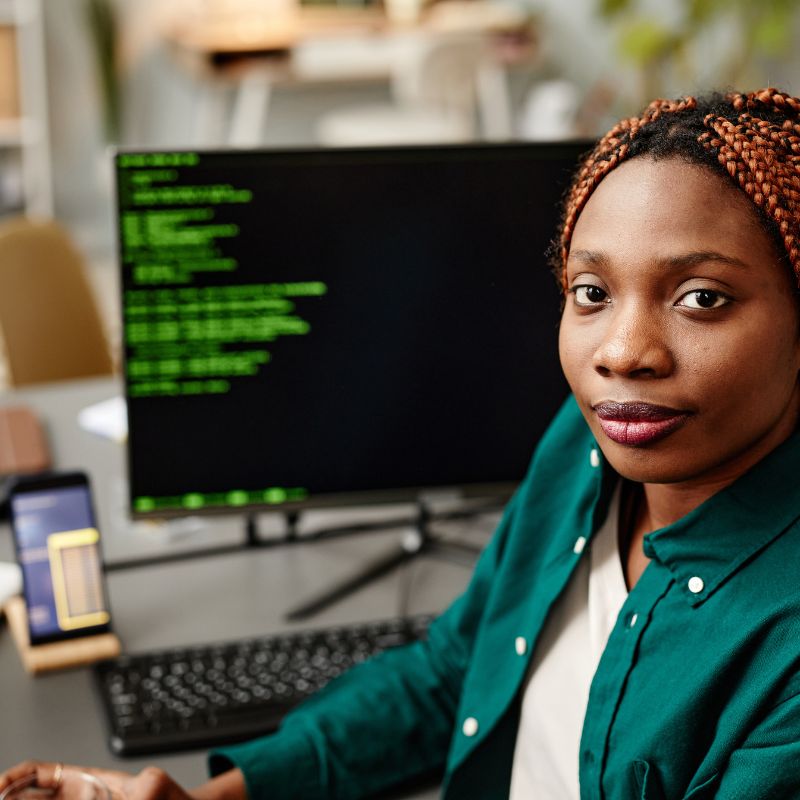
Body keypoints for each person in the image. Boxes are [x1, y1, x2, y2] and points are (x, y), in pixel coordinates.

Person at [4, 86, 800, 800]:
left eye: (702, 298)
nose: (622, 352)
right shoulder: (593, 446)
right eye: (590, 292)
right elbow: (453, 673)